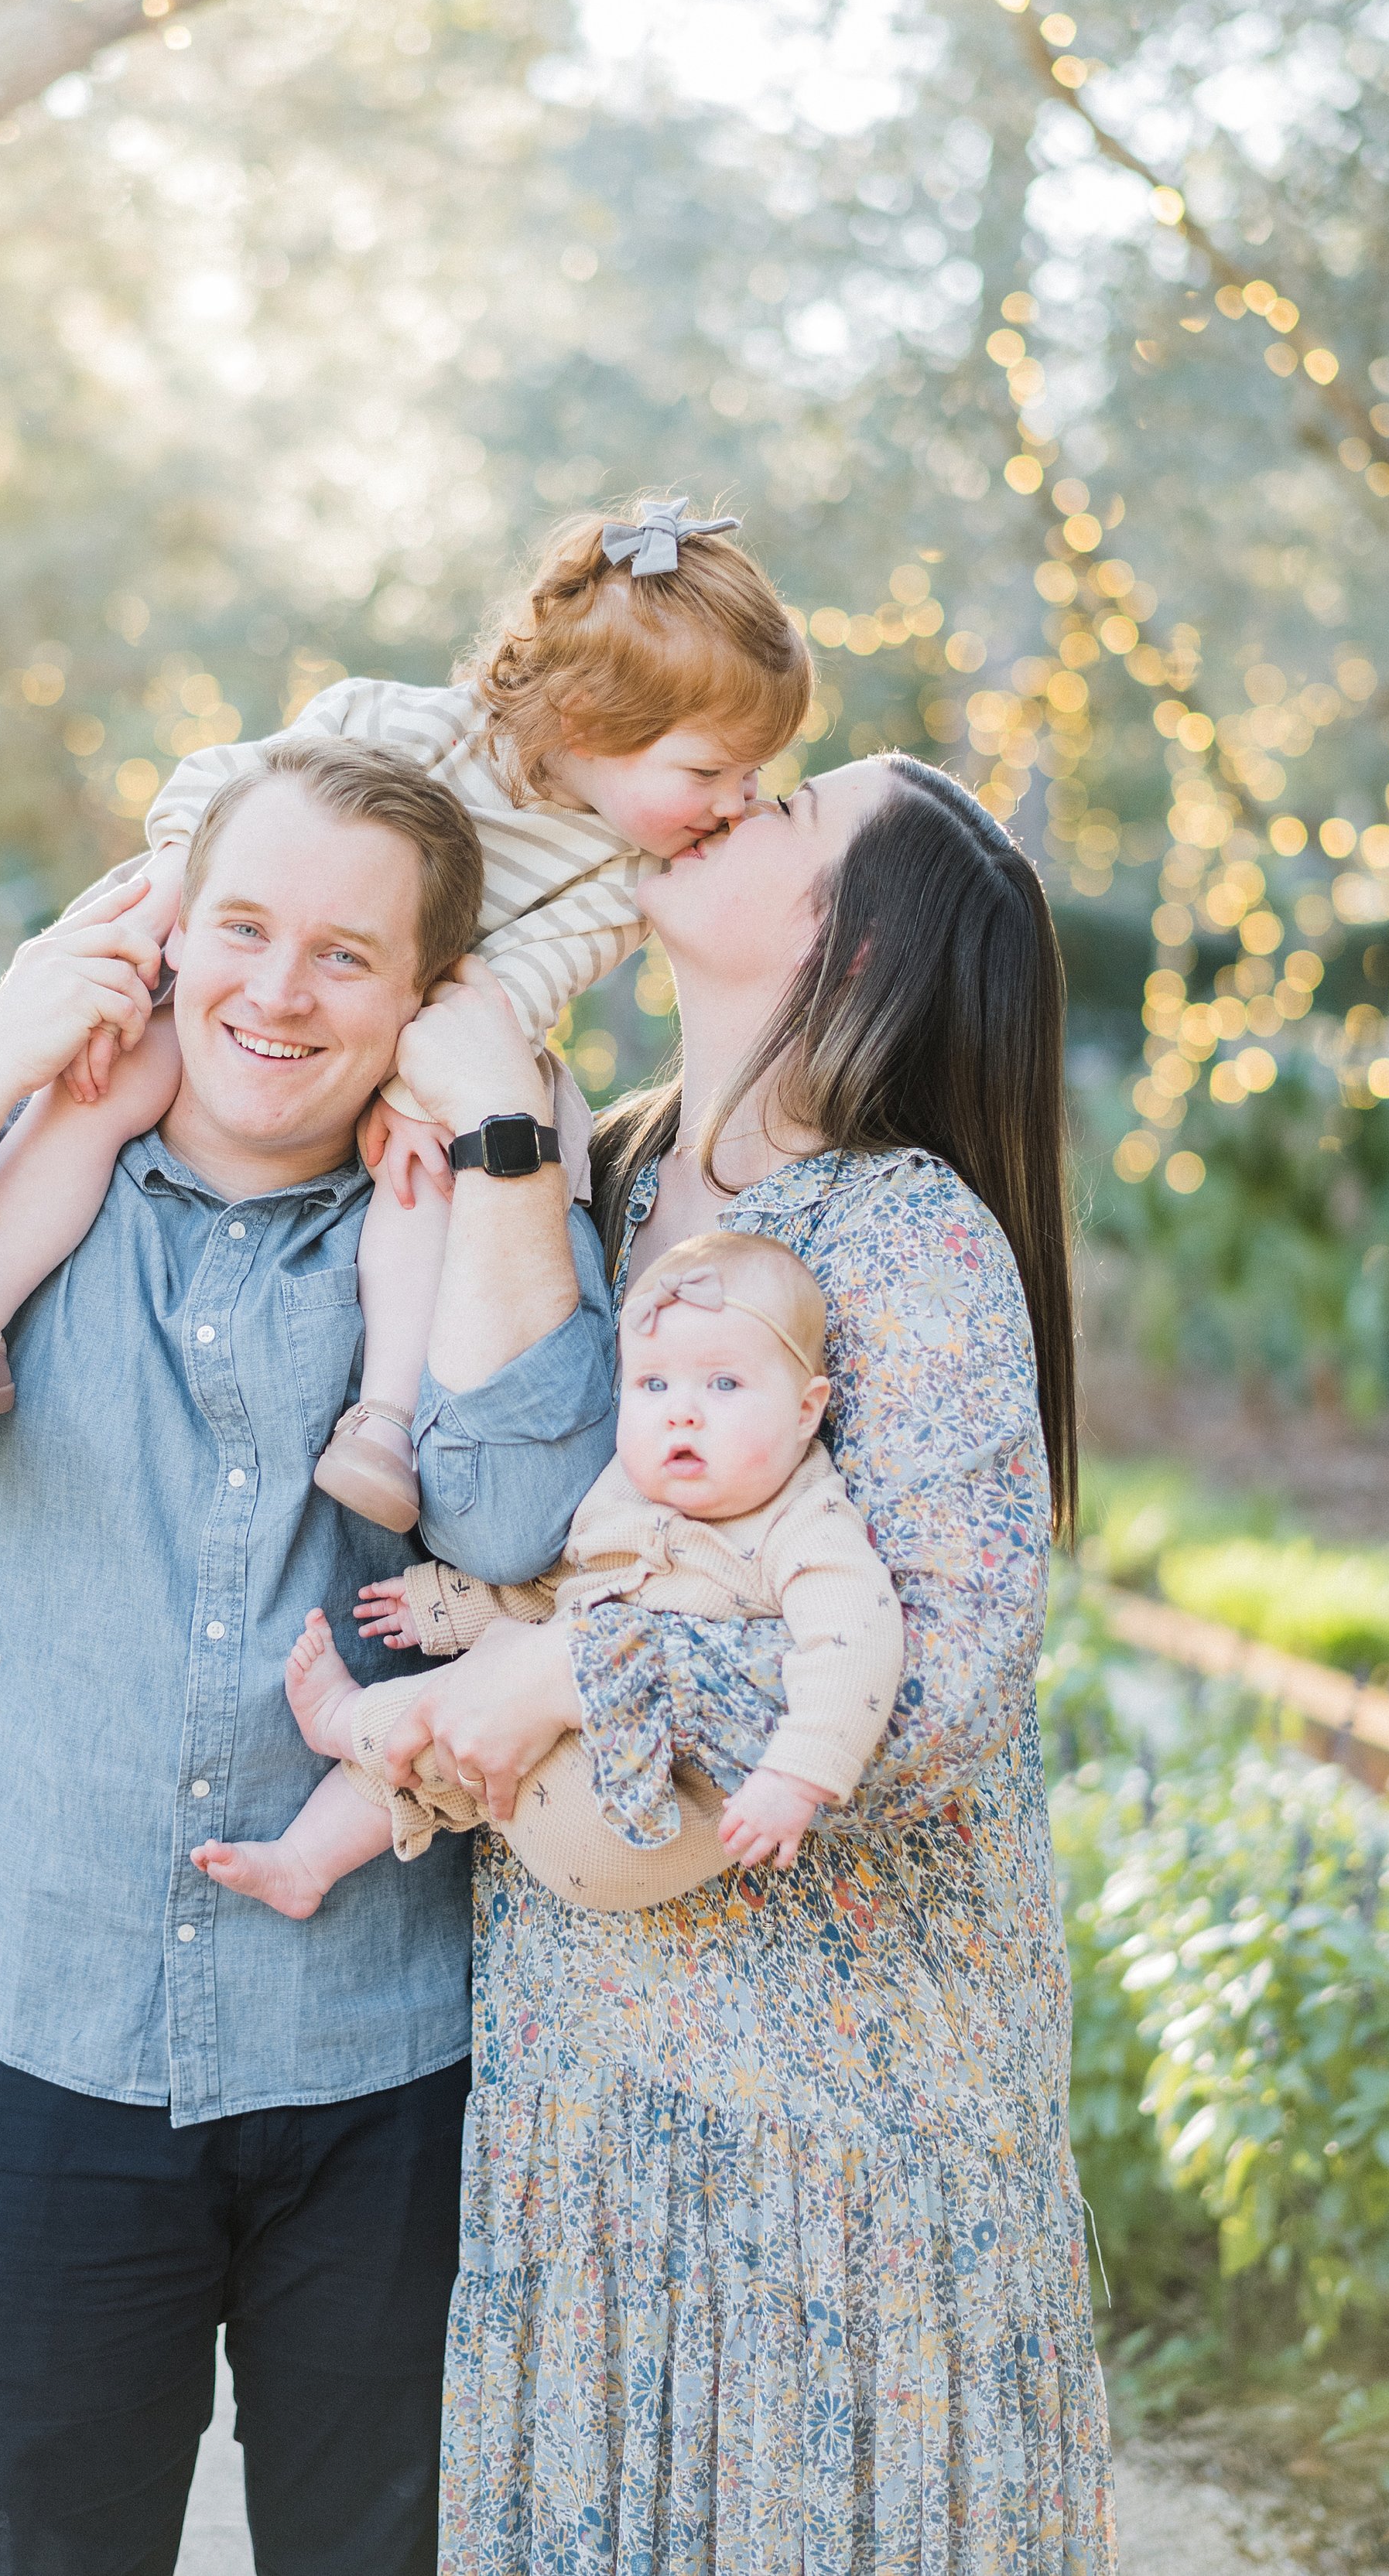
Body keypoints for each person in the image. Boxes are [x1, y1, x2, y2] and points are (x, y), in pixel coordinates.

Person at [0, 740, 620, 2576]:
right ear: (168, 931)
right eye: (245, 927)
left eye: (348, 955)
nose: (279, 991)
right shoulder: (41, 1184)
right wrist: (3, 1049)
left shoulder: (463, 1224)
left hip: (382, 2066)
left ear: (425, 994)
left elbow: (516, 1519)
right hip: (45, 2037)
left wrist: (505, 1134)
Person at [371, 753, 1117, 2573]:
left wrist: (569, 1674)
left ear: (848, 944)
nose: (727, 790)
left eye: (788, 801)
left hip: (833, 2129)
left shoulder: (910, 1236)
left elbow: (946, 1680)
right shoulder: (603, 1171)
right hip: (589, 2083)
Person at [0, 495, 812, 1543]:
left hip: (431, 1051)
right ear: (590, 723)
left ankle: (386, 1419)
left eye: (748, 773)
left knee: (422, 1178)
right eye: (708, 770)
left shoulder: (622, 875)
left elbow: (518, 986)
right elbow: (224, 788)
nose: (739, 799)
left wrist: (412, 1090)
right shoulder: (387, 721)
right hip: (284, 989)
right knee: (100, 1088)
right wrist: (180, 880)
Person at [191, 1227, 903, 1919]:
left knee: (469, 1701)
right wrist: (442, 1607)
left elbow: (857, 1643)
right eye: (654, 1384)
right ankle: (305, 1864)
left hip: (654, 1817)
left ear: (807, 1409)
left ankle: (346, 1720)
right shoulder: (627, 1489)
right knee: (441, 1766)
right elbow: (553, 1590)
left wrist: (795, 1775)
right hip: (558, 1772)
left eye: (724, 1383)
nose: (682, 1414)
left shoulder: (803, 1522)